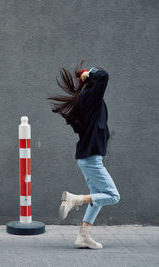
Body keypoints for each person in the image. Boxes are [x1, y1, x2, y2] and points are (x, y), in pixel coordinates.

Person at [48, 61, 120, 249]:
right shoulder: (91, 97)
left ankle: (83, 236)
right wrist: (89, 73)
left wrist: (86, 76)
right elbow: (104, 76)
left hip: (87, 157)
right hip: (91, 158)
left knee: (97, 197)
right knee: (112, 196)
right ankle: (75, 199)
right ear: (90, 82)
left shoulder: (83, 99)